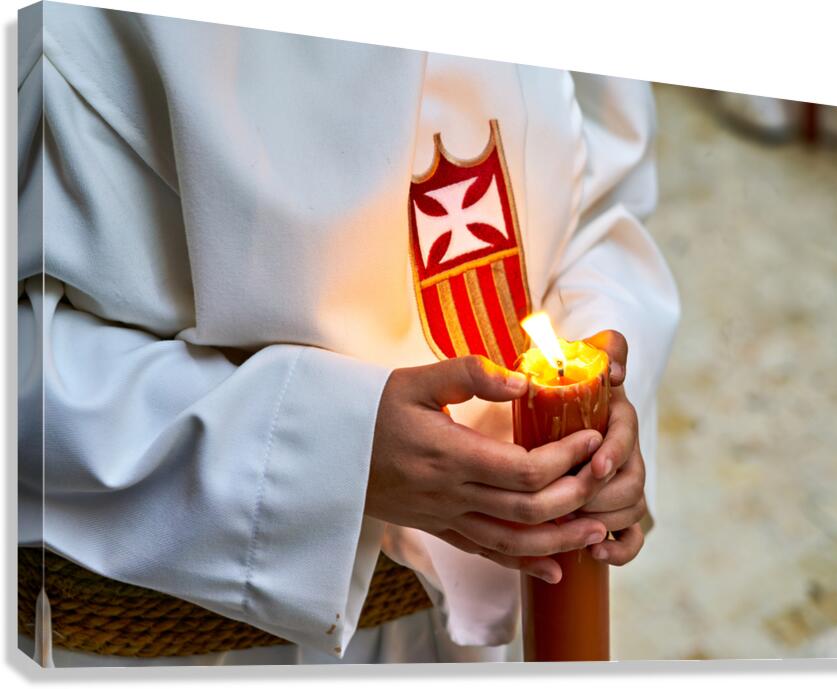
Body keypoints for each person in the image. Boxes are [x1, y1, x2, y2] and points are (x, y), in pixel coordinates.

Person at [17, 3, 679, 666]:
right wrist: (331, 453)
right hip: (200, 625)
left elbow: (601, 198)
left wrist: (599, 405)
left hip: (453, 627)